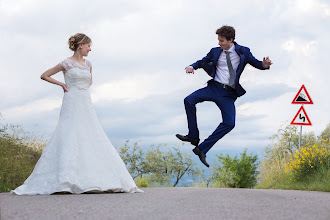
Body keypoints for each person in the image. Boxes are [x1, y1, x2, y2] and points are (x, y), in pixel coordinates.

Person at [11, 33, 143, 195]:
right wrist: (62, 84)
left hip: (85, 101)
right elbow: (44, 75)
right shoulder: (66, 63)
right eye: (88, 46)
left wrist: (83, 89)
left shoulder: (88, 64)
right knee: (69, 133)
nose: (90, 49)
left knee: (90, 132)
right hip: (71, 99)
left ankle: (94, 178)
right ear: (81, 45)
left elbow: (90, 80)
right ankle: (66, 179)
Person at [176, 25, 272, 167]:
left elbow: (257, 63)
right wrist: (191, 66)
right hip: (214, 87)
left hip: (228, 94)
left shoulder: (243, 51)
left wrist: (264, 65)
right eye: (218, 40)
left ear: (231, 40)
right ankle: (193, 135)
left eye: (221, 41)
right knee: (189, 100)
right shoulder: (215, 52)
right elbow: (202, 61)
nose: (219, 43)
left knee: (229, 123)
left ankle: (202, 148)